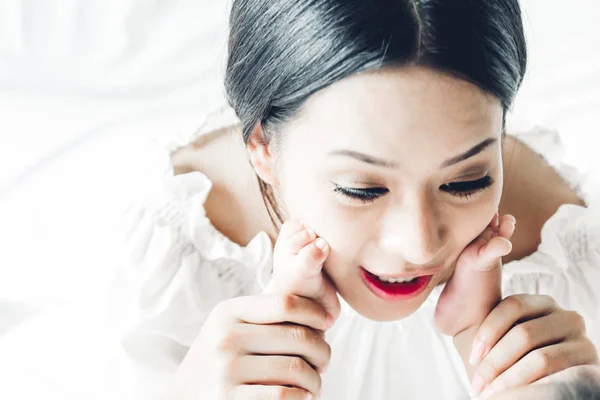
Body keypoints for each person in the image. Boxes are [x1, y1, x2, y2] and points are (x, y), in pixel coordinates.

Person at [111, 0, 600, 398]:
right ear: (261, 147)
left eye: (465, 181)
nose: (420, 246)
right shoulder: (181, 254)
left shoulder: (568, 255)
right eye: (361, 189)